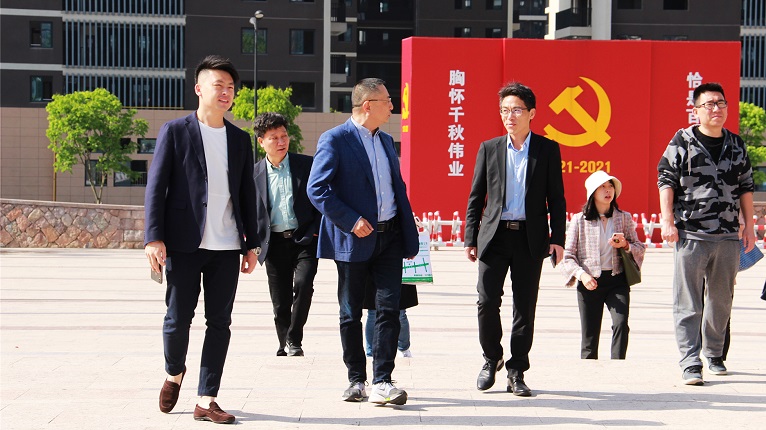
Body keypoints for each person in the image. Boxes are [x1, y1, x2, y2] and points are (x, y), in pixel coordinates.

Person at [144, 55, 260, 424]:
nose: (226, 92)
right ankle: (173, 372)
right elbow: (156, 187)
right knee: (178, 318)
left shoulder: (240, 139)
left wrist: (252, 244)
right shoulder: (175, 131)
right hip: (184, 243)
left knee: (220, 322)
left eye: (231, 87)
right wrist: (153, 238)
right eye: (218, 85)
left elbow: (247, 194)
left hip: (226, 246)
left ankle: (206, 398)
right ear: (199, 88)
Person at [307, 78, 419, 405]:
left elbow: (394, 187)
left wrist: (406, 223)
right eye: (387, 101)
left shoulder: (385, 140)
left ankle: (382, 380)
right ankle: (356, 379)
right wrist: (351, 220)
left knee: (389, 308)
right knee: (350, 311)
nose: (392, 107)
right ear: (368, 105)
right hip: (353, 239)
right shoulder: (335, 139)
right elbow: (317, 189)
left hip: (390, 238)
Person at [465, 82, 566, 397]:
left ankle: (517, 369)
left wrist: (558, 238)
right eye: (505, 110)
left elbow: (557, 198)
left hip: (529, 238)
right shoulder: (489, 148)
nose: (510, 116)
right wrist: (470, 237)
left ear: (531, 113)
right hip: (493, 237)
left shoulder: (547, 149)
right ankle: (491, 357)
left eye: (517, 110)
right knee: (486, 301)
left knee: (524, 306)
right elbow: (476, 196)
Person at [657, 81, 756, 386]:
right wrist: (667, 221)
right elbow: (666, 180)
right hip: (691, 233)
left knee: (721, 301)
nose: (716, 109)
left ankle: (714, 354)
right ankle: (690, 361)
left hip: (727, 235)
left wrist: (749, 226)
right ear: (696, 110)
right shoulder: (682, 141)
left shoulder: (736, 144)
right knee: (688, 301)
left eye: (721, 103)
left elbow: (746, 187)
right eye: (709, 104)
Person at [253, 112, 320, 357]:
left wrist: (316, 231)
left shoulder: (307, 165)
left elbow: (321, 198)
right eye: (274, 138)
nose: (281, 142)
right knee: (280, 299)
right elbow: (250, 211)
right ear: (261, 142)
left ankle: (294, 339)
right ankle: (284, 342)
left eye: (284, 136)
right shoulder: (254, 174)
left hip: (304, 240)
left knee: (303, 284)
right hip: (274, 243)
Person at [560, 171, 646, 360]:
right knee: (589, 336)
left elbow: (640, 247)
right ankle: (589, 374)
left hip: (617, 281)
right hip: (590, 282)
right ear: (592, 192)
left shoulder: (624, 218)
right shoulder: (579, 220)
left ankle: (618, 366)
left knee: (621, 324)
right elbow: (568, 257)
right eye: (603, 187)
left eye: (611, 186)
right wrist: (582, 275)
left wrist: (625, 245)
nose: (608, 191)